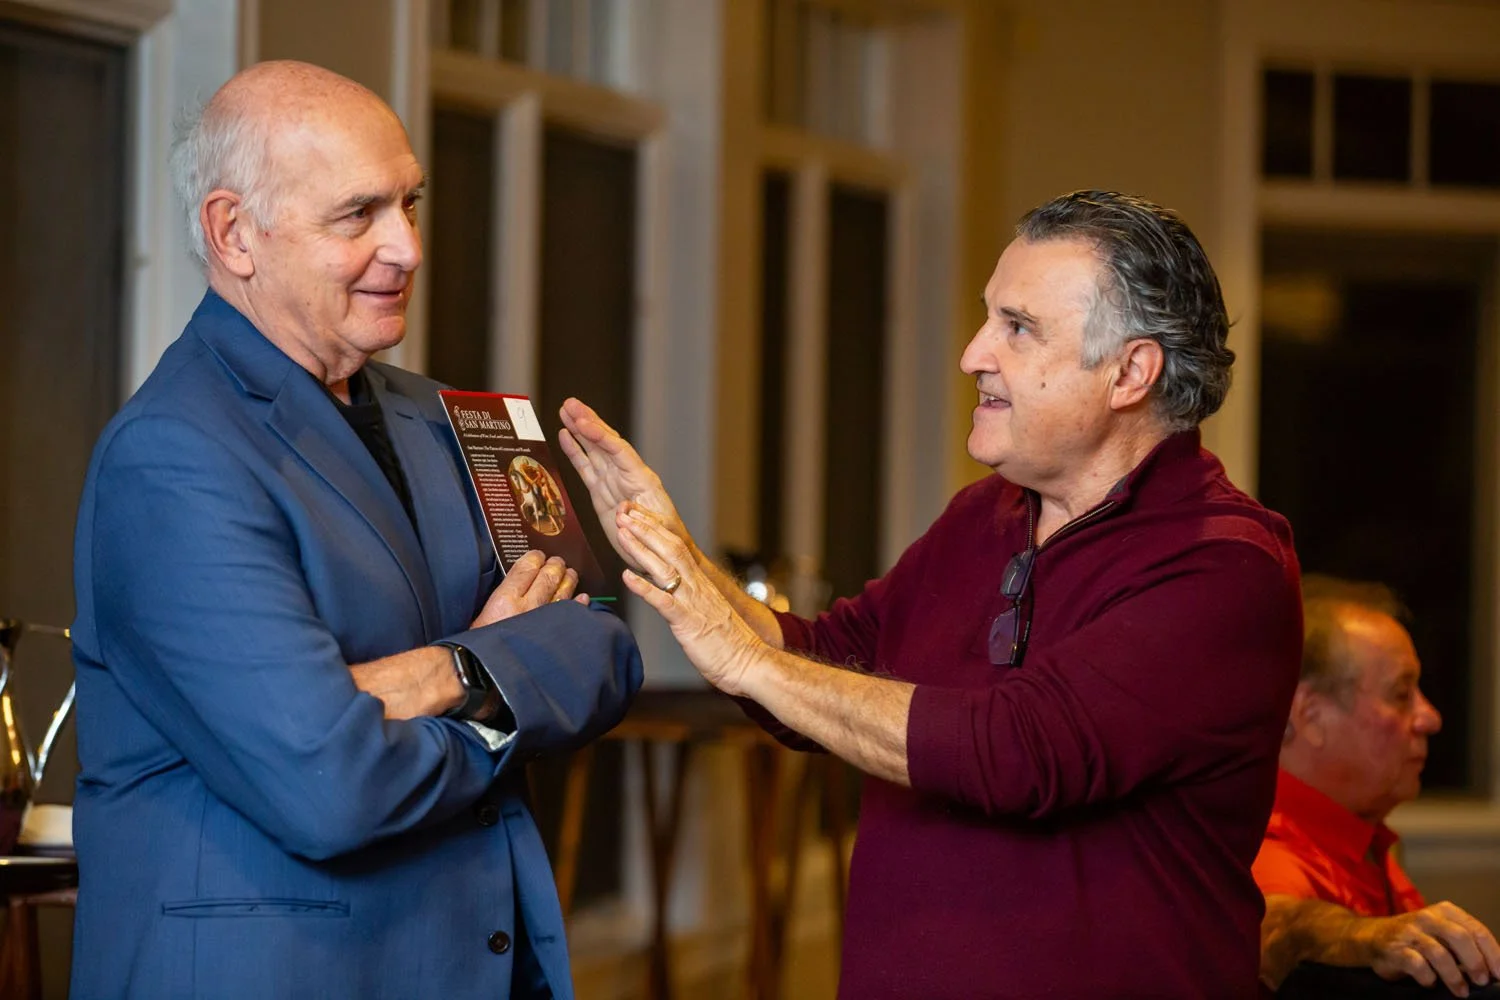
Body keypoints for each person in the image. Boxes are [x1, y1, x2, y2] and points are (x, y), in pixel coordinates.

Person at [559, 190, 1304, 999]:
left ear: (1130, 371)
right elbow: (824, 662)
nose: (974, 353)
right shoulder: (984, 514)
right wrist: (678, 561)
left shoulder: (1225, 566)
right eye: (989, 319)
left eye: (1018, 328)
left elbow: (1017, 752)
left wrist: (742, 657)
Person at [69, 61, 641, 1000]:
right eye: (359, 215)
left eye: (410, 204)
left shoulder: (464, 417)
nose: (408, 247)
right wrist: (493, 669)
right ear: (232, 233)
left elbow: (601, 652)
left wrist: (437, 676)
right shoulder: (170, 458)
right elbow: (329, 787)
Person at [1254, 577, 1500, 996]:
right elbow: (1272, 928)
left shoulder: (1363, 835)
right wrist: (1361, 937)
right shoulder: (1263, 846)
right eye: (1402, 694)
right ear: (1310, 716)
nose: (1431, 717)